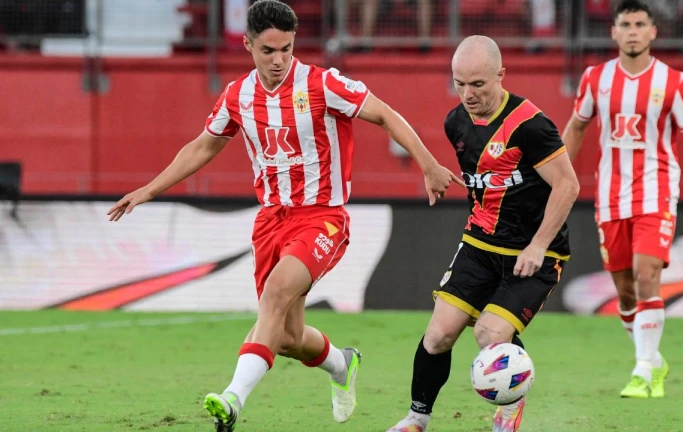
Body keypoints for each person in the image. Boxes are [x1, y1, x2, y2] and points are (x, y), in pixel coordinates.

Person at [106, 1, 462, 430]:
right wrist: (148, 190)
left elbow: (384, 114)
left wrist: (428, 164)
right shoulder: (237, 95)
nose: (278, 60)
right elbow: (203, 146)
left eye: (286, 49)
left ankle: (233, 399)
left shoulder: (323, 83)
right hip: (271, 222)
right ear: (248, 45)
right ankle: (342, 364)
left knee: (274, 297)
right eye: (268, 51)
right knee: (288, 337)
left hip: (322, 218)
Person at [387, 35, 579, 432]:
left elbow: (567, 185)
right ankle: (416, 419)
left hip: (534, 254)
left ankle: (509, 410)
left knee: (489, 333)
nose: (468, 94)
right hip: (479, 244)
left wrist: (538, 245)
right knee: (438, 335)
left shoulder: (530, 125)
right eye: (459, 83)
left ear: (500, 75)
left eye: (478, 84)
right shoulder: (455, 122)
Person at [562, 0, 683, 399]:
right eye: (626, 24)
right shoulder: (595, 78)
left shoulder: (674, 82)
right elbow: (575, 129)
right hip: (610, 197)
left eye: (640, 24)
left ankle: (642, 371)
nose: (633, 31)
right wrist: (557, 180)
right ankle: (654, 359)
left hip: (656, 193)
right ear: (614, 32)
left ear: (653, 32)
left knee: (647, 275)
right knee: (625, 291)